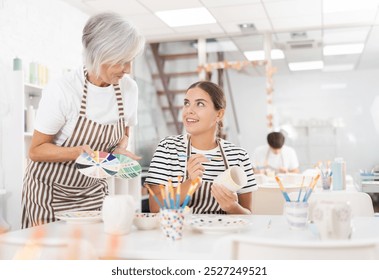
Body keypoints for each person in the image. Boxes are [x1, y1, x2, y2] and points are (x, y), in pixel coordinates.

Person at [21, 12, 145, 228]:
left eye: (131, 60)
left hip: (94, 192)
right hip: (50, 193)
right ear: (99, 55)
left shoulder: (128, 89)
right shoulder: (64, 90)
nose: (128, 69)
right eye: (121, 61)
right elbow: (36, 150)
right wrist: (76, 152)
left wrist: (119, 149)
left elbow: (124, 134)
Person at [145, 81, 257, 214]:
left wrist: (233, 207)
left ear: (219, 114)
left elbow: (249, 215)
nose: (189, 110)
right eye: (187, 103)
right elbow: (155, 208)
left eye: (200, 104)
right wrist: (190, 183)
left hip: (224, 233)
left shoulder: (239, 156)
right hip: (182, 233)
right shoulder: (168, 148)